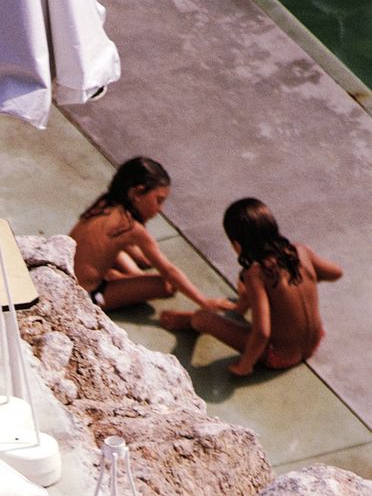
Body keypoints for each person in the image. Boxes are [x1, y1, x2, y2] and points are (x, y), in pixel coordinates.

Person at [159, 197, 342, 376]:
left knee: (201, 318)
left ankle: (192, 321)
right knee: (249, 289)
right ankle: (239, 308)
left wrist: (245, 365)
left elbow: (262, 332)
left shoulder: (255, 274)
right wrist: (301, 281)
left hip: (280, 356)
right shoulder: (301, 251)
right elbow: (335, 273)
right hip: (314, 343)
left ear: (237, 245)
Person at [70, 157, 231, 312]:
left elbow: (141, 257)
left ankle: (116, 275)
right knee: (167, 285)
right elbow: (169, 271)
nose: (160, 209)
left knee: (137, 257)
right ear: (137, 193)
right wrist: (203, 301)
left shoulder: (104, 203)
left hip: (68, 274)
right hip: (84, 295)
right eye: (158, 201)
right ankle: (116, 277)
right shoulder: (130, 227)